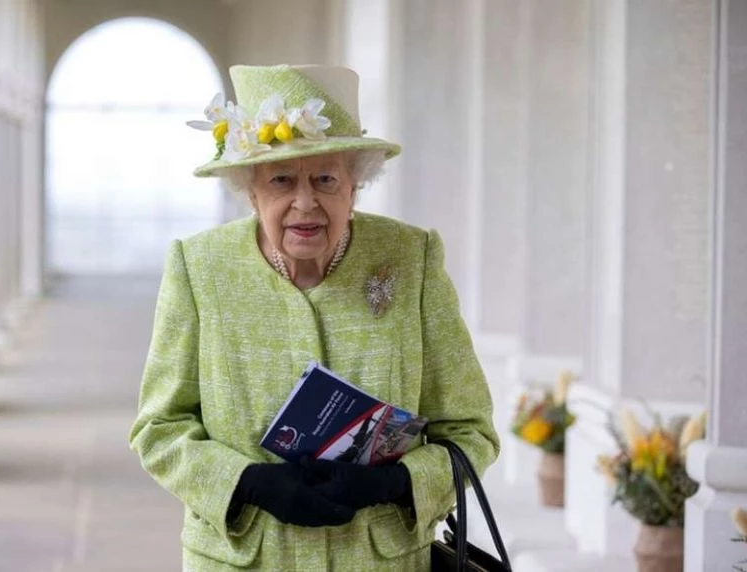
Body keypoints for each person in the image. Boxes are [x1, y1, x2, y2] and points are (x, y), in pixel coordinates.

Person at [129, 64, 500, 571]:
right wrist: (246, 483)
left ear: (355, 186)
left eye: (326, 179)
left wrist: (397, 483)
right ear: (251, 191)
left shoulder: (411, 258)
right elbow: (159, 428)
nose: (305, 203)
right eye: (281, 180)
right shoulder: (200, 267)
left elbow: (471, 431)